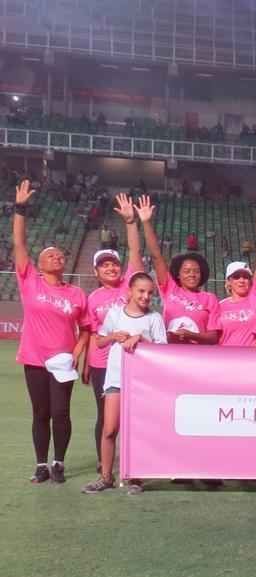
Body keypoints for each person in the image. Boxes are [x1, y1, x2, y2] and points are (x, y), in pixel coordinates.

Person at [11, 178, 91, 484]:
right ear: (40, 264)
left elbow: (85, 329)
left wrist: (75, 354)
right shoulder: (30, 280)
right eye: (50, 255)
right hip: (34, 359)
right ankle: (41, 465)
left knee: (61, 412)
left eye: (60, 255)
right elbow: (19, 243)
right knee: (40, 413)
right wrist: (21, 208)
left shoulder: (76, 294)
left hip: (62, 361)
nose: (57, 257)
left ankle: (59, 462)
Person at [81, 272, 167, 494]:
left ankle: (135, 479)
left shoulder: (154, 318)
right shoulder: (115, 314)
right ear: (130, 291)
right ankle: (106, 477)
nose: (146, 296)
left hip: (143, 384)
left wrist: (141, 339)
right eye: (141, 291)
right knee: (109, 429)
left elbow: (163, 352)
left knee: (137, 431)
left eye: (150, 293)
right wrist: (113, 337)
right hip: (116, 379)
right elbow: (99, 342)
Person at [82, 193, 144, 472]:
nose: (110, 267)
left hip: (131, 361)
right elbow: (93, 334)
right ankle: (103, 461)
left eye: (113, 263)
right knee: (104, 416)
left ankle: (132, 460)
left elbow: (135, 255)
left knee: (133, 414)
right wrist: (86, 363)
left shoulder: (127, 288)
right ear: (96, 271)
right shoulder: (92, 297)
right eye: (104, 264)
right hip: (101, 364)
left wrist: (131, 223)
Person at [139, 195, 219, 344]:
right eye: (187, 271)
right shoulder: (170, 289)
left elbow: (214, 337)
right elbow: (156, 256)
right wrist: (146, 222)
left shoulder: (210, 299)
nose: (192, 274)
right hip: (171, 357)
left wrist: (191, 336)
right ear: (178, 274)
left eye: (196, 271)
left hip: (198, 359)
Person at [201, 214, 256, 346]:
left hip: (252, 361)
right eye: (236, 277)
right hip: (227, 361)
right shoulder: (219, 306)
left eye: (246, 277)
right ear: (228, 282)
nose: (242, 280)